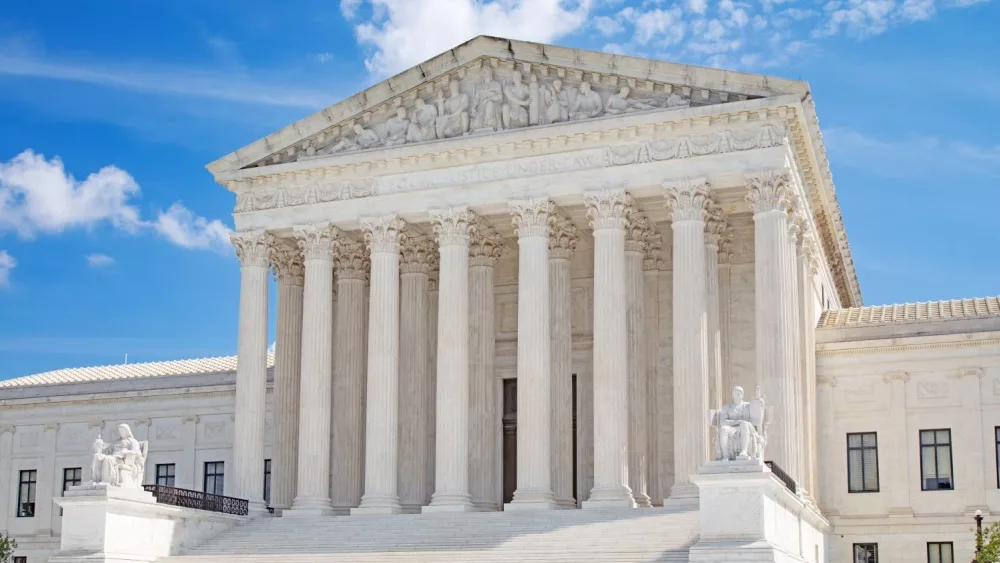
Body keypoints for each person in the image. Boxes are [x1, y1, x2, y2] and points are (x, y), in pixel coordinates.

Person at [713, 385, 766, 461]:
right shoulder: (727, 407)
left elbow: (757, 412)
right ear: (733, 395)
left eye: (739, 393)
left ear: (742, 394)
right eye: (735, 393)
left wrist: (759, 401)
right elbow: (723, 422)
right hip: (731, 427)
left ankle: (743, 451)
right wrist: (737, 422)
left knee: (744, 424)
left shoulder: (747, 406)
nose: (738, 394)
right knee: (723, 429)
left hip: (747, 427)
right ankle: (725, 455)